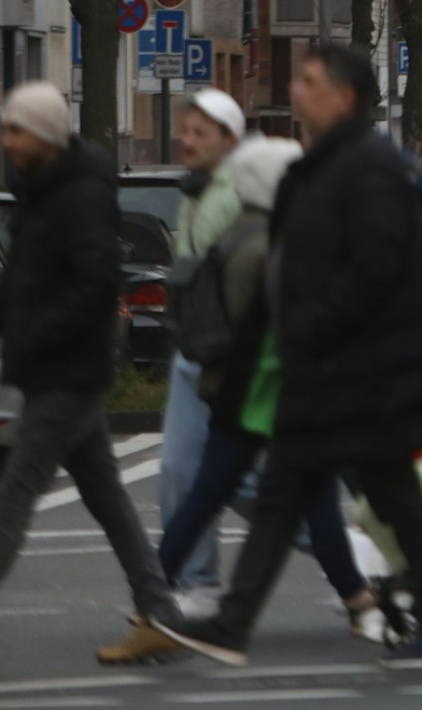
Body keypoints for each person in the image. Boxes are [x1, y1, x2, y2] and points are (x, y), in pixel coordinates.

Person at [155, 45, 422, 669]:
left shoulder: (366, 167)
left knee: (379, 495)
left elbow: (376, 266)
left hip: (358, 370)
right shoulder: (328, 165)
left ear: (344, 97)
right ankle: (236, 622)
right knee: (295, 494)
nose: (296, 90)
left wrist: (312, 323)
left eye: (310, 81)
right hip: (332, 370)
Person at [0, 82, 184, 667]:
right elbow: (14, 286)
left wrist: (30, 337)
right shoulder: (42, 190)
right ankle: (161, 614)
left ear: (46, 137)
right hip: (59, 372)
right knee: (108, 501)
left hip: (66, 374)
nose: (5, 140)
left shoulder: (76, 197)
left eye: (15, 130)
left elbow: (94, 286)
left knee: (13, 501)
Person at [156, 137, 380, 638]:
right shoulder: (270, 244)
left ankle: (355, 598)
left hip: (253, 397)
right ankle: (360, 598)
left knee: (219, 497)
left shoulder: (240, 235)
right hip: (269, 396)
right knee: (294, 498)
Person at [163, 89, 246, 605]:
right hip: (192, 353)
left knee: (254, 483)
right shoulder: (193, 191)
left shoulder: (235, 194)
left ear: (229, 141)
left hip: (231, 357)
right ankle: (196, 582)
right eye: (185, 131)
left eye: (200, 133)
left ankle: (348, 559)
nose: (187, 142)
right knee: (176, 468)